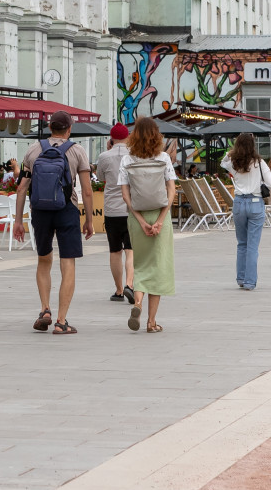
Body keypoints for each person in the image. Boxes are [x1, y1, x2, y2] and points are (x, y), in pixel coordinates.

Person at [13, 110, 95, 335]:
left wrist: (18, 220)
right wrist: (89, 219)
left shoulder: (33, 149)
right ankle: (61, 321)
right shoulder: (77, 150)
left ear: (50, 128)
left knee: (43, 259)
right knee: (67, 263)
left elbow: (21, 188)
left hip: (40, 210)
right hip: (66, 208)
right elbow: (87, 191)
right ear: (69, 129)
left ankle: (45, 310)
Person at [118, 117, 175, 332]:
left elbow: (125, 194)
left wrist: (141, 221)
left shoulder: (127, 160)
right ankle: (152, 322)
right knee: (158, 267)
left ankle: (137, 303)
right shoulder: (163, 158)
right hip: (161, 215)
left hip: (137, 217)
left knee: (140, 264)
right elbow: (171, 191)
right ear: (156, 135)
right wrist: (160, 220)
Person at [228, 131, 271, 290]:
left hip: (239, 202)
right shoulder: (259, 163)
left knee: (242, 243)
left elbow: (223, 162)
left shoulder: (233, 162)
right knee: (252, 245)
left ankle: (241, 278)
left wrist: (231, 153)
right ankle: (249, 281)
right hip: (255, 202)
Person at [94, 124, 135, 303]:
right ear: (128, 137)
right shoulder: (134, 155)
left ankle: (118, 290)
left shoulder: (104, 156)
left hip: (112, 209)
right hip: (132, 208)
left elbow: (101, 177)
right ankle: (130, 284)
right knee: (131, 250)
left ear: (111, 138)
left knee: (115, 250)